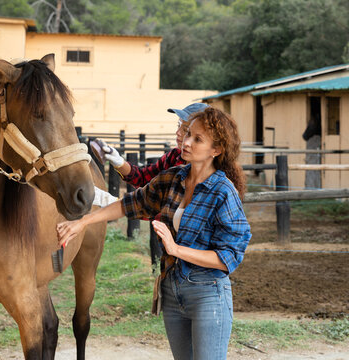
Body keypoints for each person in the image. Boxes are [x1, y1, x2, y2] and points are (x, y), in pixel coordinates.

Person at [58, 107, 251, 359]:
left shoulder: (224, 192)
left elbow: (230, 257)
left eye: (197, 139)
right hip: (172, 290)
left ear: (216, 150)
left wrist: (175, 249)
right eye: (188, 134)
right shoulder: (172, 178)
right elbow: (132, 203)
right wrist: (83, 222)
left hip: (208, 293)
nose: (187, 141)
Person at [92, 103, 209, 207]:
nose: (177, 133)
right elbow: (144, 179)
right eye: (178, 125)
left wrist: (112, 202)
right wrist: (119, 162)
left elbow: (159, 205)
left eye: (185, 129)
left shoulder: (209, 175)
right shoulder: (174, 156)